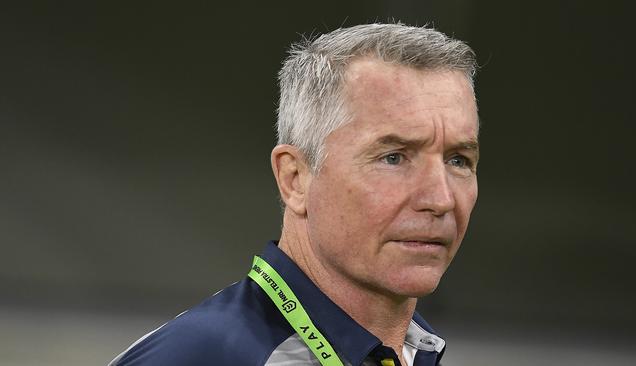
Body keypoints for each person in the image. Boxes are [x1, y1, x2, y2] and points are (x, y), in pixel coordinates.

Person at [109, 22, 479, 366]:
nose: (441, 199)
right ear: (295, 178)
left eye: (459, 160)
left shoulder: (417, 348)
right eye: (393, 158)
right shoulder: (196, 356)